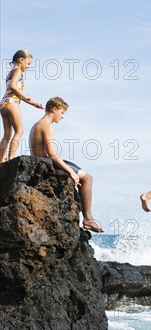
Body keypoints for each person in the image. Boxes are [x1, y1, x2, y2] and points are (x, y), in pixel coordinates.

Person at [29, 96, 104, 233]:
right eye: (62, 112)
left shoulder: (37, 125)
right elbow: (52, 154)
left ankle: (88, 217)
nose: (62, 117)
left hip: (39, 162)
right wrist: (71, 172)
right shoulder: (46, 126)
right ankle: (88, 219)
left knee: (83, 176)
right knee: (88, 178)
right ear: (54, 109)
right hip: (46, 162)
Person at [0, 49, 43, 162]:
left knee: (7, 134)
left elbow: (13, 90)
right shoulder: (18, 71)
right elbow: (14, 87)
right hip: (12, 103)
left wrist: (32, 103)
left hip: (4, 103)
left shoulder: (11, 72)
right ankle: (11, 159)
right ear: (21, 60)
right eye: (28, 64)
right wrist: (26, 96)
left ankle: (1, 160)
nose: (28, 67)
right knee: (19, 131)